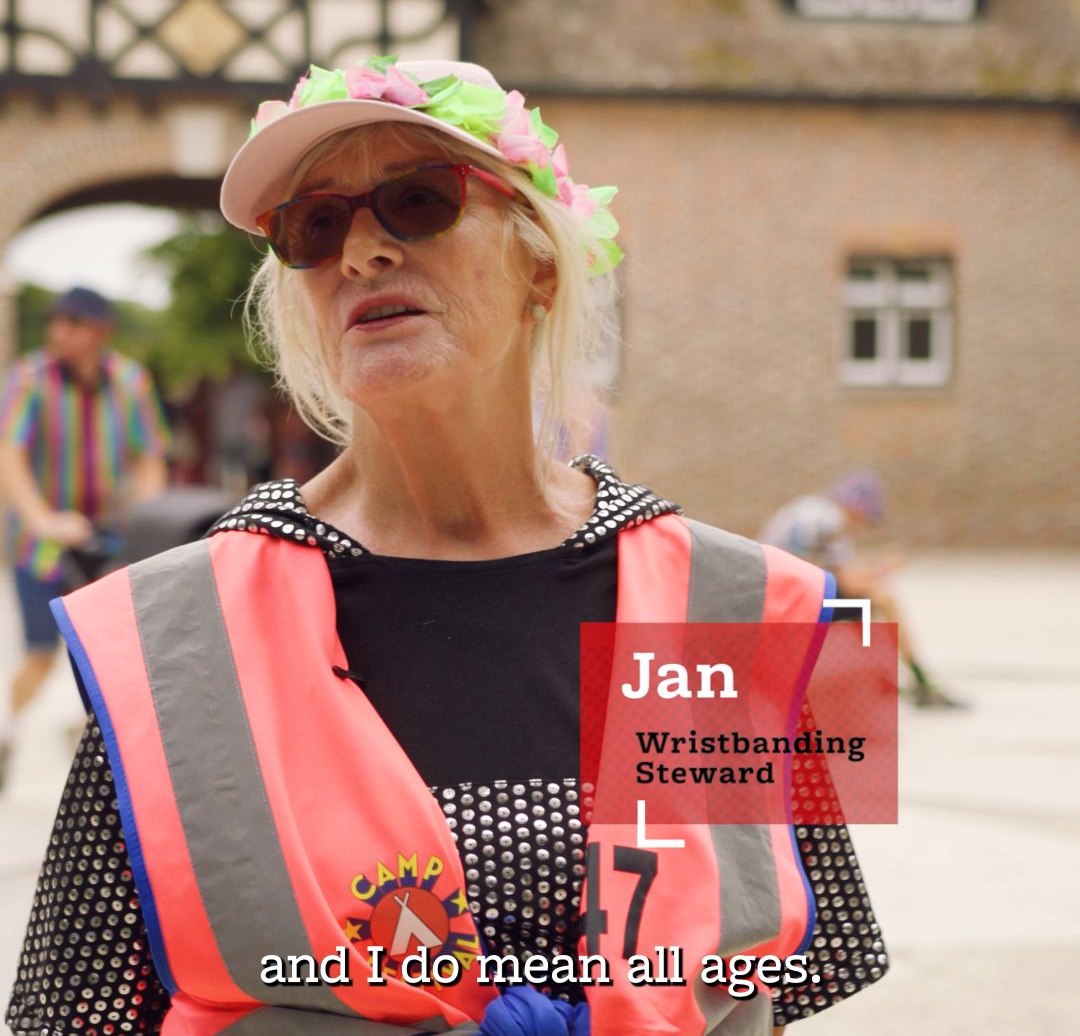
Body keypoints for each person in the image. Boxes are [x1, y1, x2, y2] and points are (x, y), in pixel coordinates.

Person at [7, 58, 887, 1035]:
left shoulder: (734, 598)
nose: (361, 254)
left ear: (542, 264)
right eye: (317, 225)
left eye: (417, 201)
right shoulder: (178, 634)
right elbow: (75, 1012)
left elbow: (790, 975)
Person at [0, 287, 169, 790]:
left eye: (71, 323)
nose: (58, 332)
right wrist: (43, 518)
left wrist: (148, 520)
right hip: (42, 542)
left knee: (109, 652)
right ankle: (8, 732)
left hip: (105, 540)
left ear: (100, 331)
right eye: (56, 321)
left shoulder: (130, 380)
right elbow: (10, 455)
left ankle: (91, 745)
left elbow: (148, 456)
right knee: (40, 652)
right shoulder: (31, 378)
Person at [759, 470, 962, 708]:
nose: (865, 526)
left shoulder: (814, 510)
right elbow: (849, 582)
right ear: (858, 508)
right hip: (783, 600)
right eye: (869, 518)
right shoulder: (829, 522)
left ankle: (873, 674)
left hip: (776, 593)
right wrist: (884, 567)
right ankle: (917, 680)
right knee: (881, 599)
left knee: (864, 603)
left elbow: (835, 575)